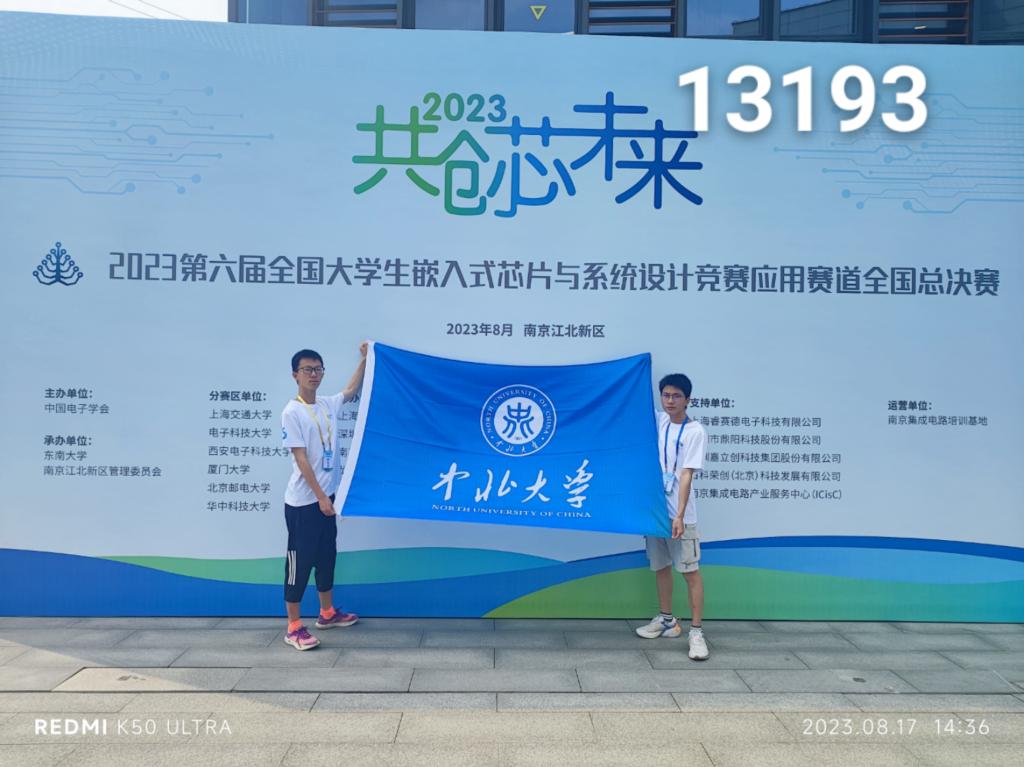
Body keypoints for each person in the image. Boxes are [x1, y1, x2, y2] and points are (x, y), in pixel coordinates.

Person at [279, 343, 367, 650]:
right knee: (299, 563)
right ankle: (293, 627)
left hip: (326, 500)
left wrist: (365, 358)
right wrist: (320, 497)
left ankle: (327, 613)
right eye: (308, 370)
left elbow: (351, 391)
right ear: (295, 375)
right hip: (304, 504)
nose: (314, 375)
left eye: (318, 369)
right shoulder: (292, 412)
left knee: (326, 557)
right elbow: (301, 459)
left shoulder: (328, 404)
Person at [635, 373, 710, 660]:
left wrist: (679, 515)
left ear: (687, 399)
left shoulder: (695, 432)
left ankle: (696, 633)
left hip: (681, 516)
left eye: (676, 396)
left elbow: (687, 474)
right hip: (656, 513)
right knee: (661, 567)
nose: (670, 401)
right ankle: (667, 620)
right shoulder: (660, 421)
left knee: (690, 572)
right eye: (666, 395)